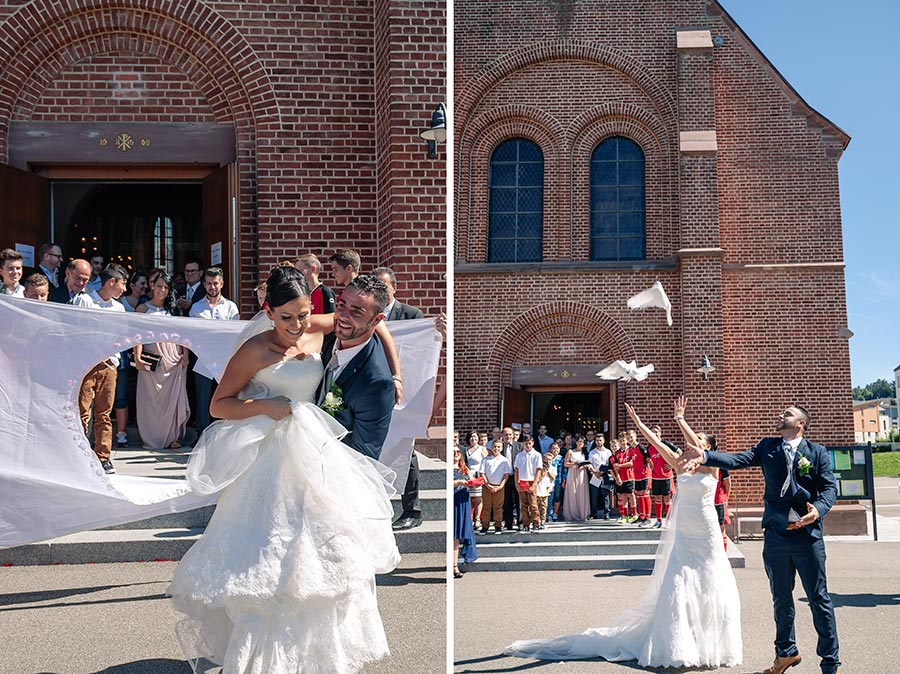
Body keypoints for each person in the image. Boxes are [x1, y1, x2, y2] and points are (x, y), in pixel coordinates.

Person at [168, 266, 399, 674]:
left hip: (315, 456)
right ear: (268, 312)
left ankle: (311, 657)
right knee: (267, 555)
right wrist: (263, 407)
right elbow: (218, 404)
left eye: (304, 314)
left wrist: (396, 374)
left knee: (310, 558)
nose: (297, 325)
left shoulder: (319, 326)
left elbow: (374, 324)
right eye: (286, 317)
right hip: (269, 459)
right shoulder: (254, 350)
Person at [506, 400, 741, 668]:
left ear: (708, 448)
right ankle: (678, 643)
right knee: (678, 581)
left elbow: (698, 448)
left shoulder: (713, 466)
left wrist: (680, 420)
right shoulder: (680, 465)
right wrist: (640, 425)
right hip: (685, 530)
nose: (691, 443)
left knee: (711, 578)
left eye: (698, 441)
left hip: (706, 529)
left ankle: (709, 642)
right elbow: (658, 445)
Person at [680, 400, 840, 674]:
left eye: (787, 414)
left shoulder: (818, 452)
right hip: (777, 536)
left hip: (808, 537)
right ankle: (785, 654)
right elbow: (737, 460)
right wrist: (707, 456)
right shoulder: (768, 447)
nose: (781, 415)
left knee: (819, 598)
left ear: (800, 423)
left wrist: (819, 511)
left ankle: (830, 663)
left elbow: (829, 488)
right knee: (780, 598)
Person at [72, 264, 129, 474]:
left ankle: (103, 456)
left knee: (104, 413)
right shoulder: (84, 300)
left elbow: (122, 336)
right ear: (111, 282)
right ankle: (78, 454)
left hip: (109, 365)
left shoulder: (119, 308)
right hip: (86, 364)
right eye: (122, 283)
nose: (125, 289)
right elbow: (75, 330)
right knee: (82, 412)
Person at [134, 271, 190, 450]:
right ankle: (153, 438)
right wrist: (138, 357)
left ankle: (173, 436)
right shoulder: (143, 309)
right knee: (151, 401)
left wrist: (186, 355)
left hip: (173, 359)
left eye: (166, 287)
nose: (162, 290)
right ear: (152, 286)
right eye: (159, 286)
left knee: (172, 401)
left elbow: (184, 335)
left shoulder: (174, 310)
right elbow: (137, 337)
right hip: (152, 358)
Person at [189, 267, 241, 434]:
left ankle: (224, 436)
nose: (212, 287)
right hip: (203, 360)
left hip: (225, 361)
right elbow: (194, 335)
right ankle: (201, 436)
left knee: (225, 399)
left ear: (222, 284)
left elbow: (234, 334)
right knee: (203, 401)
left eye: (216, 283)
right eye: (209, 283)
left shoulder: (231, 307)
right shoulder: (196, 308)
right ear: (204, 284)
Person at [453, 446, 478, 578]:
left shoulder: (464, 468)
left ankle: (454, 564)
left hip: (463, 501)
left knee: (458, 534)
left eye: (458, 452)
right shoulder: (448, 467)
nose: (456, 453)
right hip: (453, 500)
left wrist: (475, 482)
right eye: (453, 452)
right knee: (454, 535)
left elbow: (471, 481)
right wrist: (458, 482)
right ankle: (454, 566)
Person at [479, 439, 511, 534]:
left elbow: (506, 475)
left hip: (499, 487)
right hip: (487, 487)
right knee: (487, 507)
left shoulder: (504, 460)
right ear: (491, 447)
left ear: (501, 448)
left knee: (498, 507)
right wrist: (487, 485)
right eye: (494, 446)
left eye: (498, 447)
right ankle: (485, 526)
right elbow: (482, 473)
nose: (496, 448)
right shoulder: (485, 459)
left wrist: (500, 486)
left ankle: (498, 526)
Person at [513, 435, 542, 532]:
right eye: (526, 444)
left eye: (529, 443)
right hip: (522, 481)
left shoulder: (537, 455)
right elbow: (516, 470)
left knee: (533, 504)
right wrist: (517, 483)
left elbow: (538, 470)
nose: (528, 446)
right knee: (524, 505)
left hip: (531, 480)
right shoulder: (519, 455)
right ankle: (525, 524)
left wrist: (534, 484)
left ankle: (536, 523)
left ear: (533, 443)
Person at [562, 436, 590, 521]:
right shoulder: (571, 451)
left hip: (582, 473)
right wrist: (573, 464)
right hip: (572, 472)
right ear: (576, 442)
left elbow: (588, 463)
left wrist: (585, 465)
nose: (580, 443)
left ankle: (583, 513)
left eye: (582, 442)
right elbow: (565, 463)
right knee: (572, 492)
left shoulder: (585, 452)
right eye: (579, 441)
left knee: (581, 492)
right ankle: (572, 513)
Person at [465, 430, 488, 527]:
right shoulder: (465, 449)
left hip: (478, 475)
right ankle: (469, 517)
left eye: (475, 437)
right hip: (468, 474)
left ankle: (477, 518)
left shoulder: (481, 449)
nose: (473, 439)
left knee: (478, 498)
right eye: (471, 437)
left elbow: (486, 462)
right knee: (469, 497)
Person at [588, 433, 612, 519]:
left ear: (604, 441)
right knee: (594, 496)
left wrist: (602, 472)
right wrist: (595, 472)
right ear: (595, 441)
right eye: (597, 441)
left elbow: (609, 464)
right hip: (595, 476)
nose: (599, 442)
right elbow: (589, 464)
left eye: (600, 440)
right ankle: (594, 513)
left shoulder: (608, 452)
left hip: (604, 476)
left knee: (605, 495)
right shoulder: (592, 452)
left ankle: (606, 513)